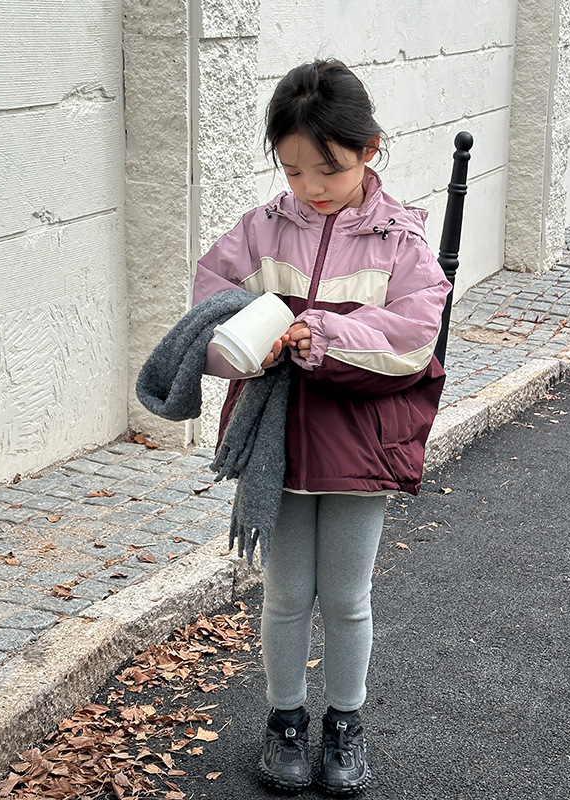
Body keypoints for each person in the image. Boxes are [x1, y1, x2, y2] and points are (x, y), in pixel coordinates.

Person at [192, 58, 451, 795]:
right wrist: (253, 342)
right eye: (292, 169)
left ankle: (345, 724)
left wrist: (323, 336)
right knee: (282, 596)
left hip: (359, 446)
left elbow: (414, 336)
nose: (310, 186)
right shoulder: (262, 229)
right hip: (275, 443)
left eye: (328, 168)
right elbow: (208, 304)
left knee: (345, 598)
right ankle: (284, 722)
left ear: (369, 149)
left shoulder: (400, 240)